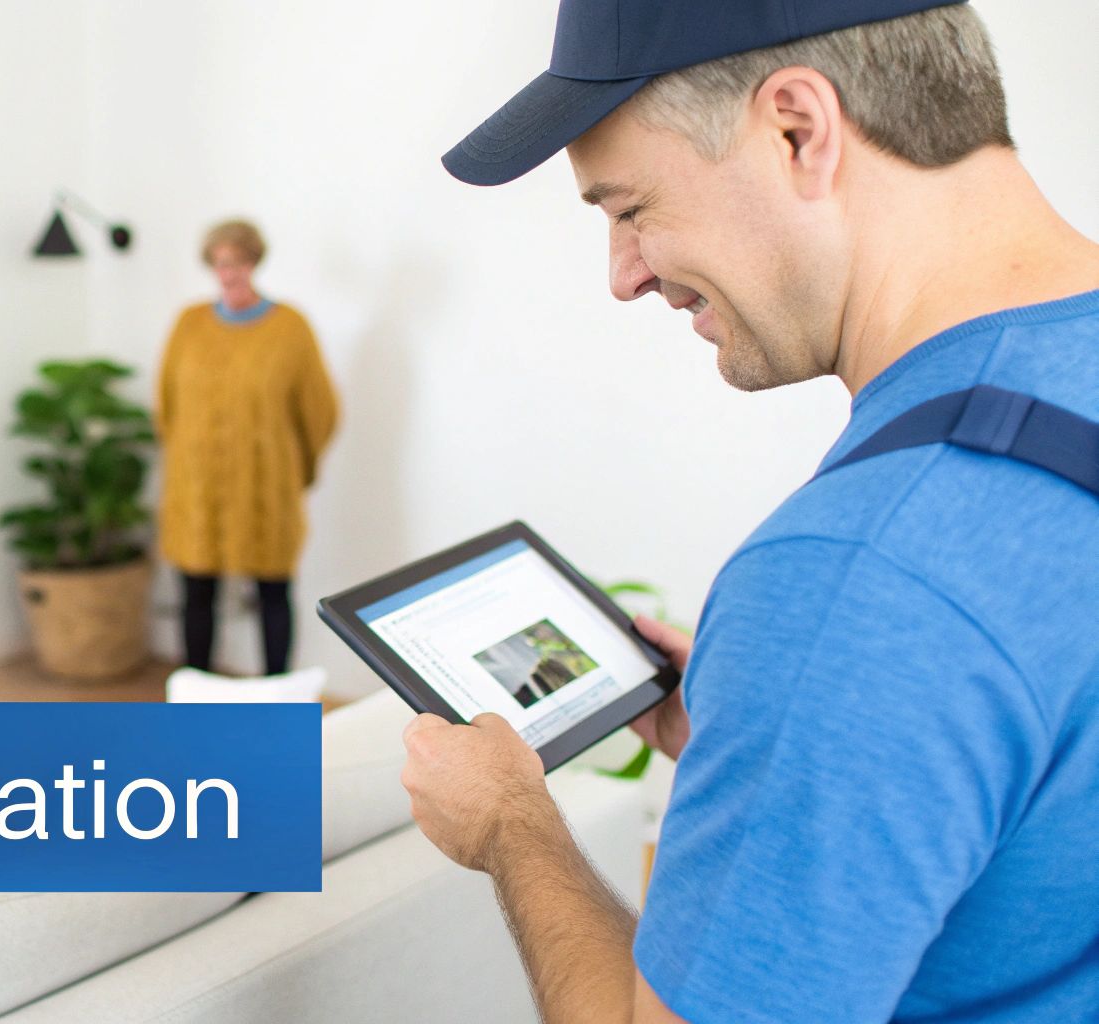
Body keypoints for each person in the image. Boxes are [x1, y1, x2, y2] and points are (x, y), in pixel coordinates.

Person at [399, 2, 1099, 1021]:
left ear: (795, 131)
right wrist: (786, 736)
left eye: (627, 207)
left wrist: (512, 823)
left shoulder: (854, 577)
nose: (621, 275)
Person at [156, 219, 339, 677]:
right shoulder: (189, 323)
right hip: (197, 490)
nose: (228, 272)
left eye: (237, 262)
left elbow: (320, 409)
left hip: (265, 490)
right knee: (196, 593)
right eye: (220, 263)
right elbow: (165, 404)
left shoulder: (290, 328)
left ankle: (276, 698)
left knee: (273, 591)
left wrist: (294, 469)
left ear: (254, 262)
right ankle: (193, 702)